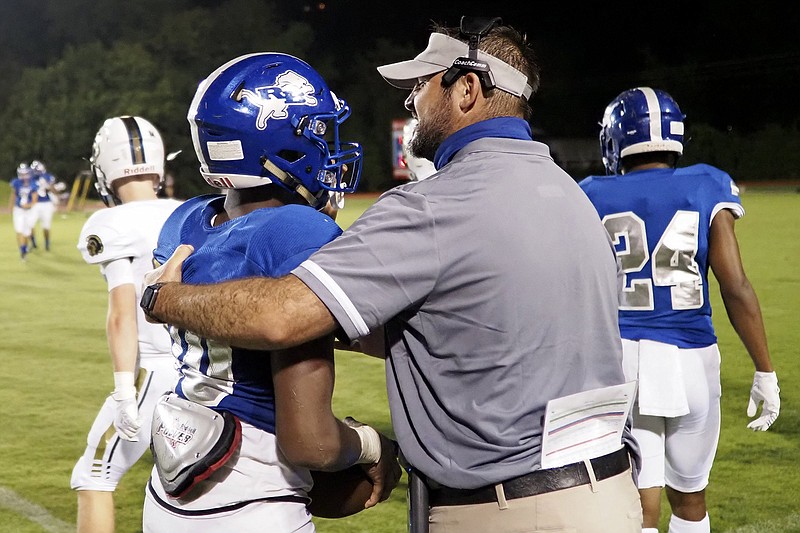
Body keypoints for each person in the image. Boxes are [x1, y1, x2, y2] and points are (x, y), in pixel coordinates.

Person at [140, 18, 643, 532]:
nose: (411, 102)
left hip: (506, 508)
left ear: (468, 89)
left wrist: (163, 300)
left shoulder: (432, 206)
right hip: (608, 489)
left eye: (422, 84)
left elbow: (283, 318)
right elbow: (468, 329)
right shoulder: (574, 196)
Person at [141, 52, 400, 533]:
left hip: (172, 494)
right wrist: (372, 445)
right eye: (317, 131)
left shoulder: (186, 220)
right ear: (276, 142)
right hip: (253, 501)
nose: (327, 145)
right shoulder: (293, 230)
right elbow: (311, 444)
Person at [578, 87, 780, 533]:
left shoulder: (592, 193)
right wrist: (764, 370)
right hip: (693, 361)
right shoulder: (707, 183)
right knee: (691, 500)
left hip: (624, 360)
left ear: (614, 138)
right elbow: (736, 285)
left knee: (639, 505)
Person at [71, 116, 182, 533]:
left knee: (94, 473)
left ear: (106, 166)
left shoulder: (110, 224)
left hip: (155, 371)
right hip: (203, 369)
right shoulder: (189, 210)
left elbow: (122, 313)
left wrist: (123, 391)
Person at [9, 162, 37, 260]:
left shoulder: (33, 183)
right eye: (22, 173)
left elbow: (34, 199)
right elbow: (14, 195)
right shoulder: (16, 182)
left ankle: (25, 247)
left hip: (29, 211)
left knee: (26, 232)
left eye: (25, 173)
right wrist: (11, 207)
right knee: (19, 230)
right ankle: (23, 250)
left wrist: (28, 205)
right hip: (18, 210)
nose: (24, 176)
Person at [31, 159, 58, 251]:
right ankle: (33, 243)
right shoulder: (30, 179)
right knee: (30, 225)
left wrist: (48, 186)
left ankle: (47, 244)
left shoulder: (48, 177)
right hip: (34, 204)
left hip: (46, 203)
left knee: (46, 226)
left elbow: (54, 191)